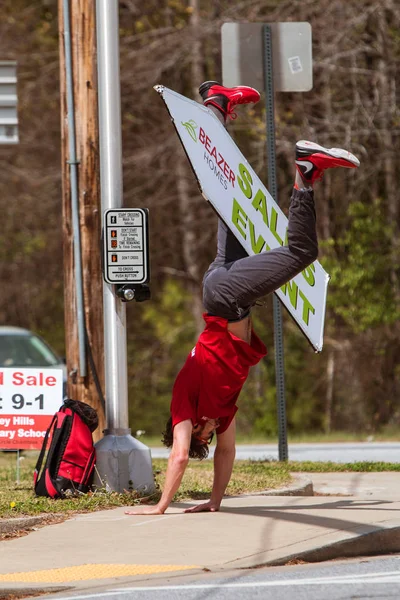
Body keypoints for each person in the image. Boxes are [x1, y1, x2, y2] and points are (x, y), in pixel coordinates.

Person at [126, 81, 360, 516]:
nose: (211, 434)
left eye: (202, 434)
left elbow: (177, 456)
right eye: (209, 436)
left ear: (192, 427)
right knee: (230, 191)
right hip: (227, 287)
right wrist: (214, 502)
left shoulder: (185, 402)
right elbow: (227, 455)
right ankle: (217, 104)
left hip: (224, 298)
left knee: (302, 253)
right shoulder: (224, 412)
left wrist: (160, 507)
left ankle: (306, 173)